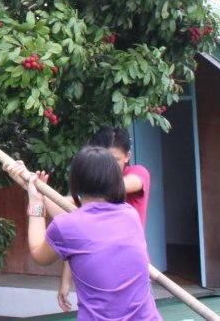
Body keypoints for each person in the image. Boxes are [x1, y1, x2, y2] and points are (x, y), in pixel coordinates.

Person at [5, 147, 162, 321]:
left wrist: (36, 202)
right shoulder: (129, 215)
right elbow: (76, 225)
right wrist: (38, 192)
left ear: (75, 182)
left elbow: (39, 253)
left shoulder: (68, 226)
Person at [57, 126, 152, 310]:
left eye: (115, 160)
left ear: (128, 156)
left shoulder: (138, 173)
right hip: (99, 270)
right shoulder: (87, 196)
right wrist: (66, 281)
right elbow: (78, 237)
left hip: (133, 268)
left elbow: (112, 188)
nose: (109, 167)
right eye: (104, 160)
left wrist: (50, 198)